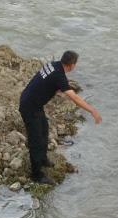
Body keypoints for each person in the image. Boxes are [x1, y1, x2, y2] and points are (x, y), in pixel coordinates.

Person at [19, 50, 102, 185]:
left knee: (44, 130)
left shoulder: (54, 65)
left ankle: (43, 159)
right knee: (36, 140)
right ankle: (36, 174)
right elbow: (74, 97)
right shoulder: (59, 75)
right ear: (72, 65)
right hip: (29, 106)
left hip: (33, 103)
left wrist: (57, 89)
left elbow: (48, 81)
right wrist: (92, 110)